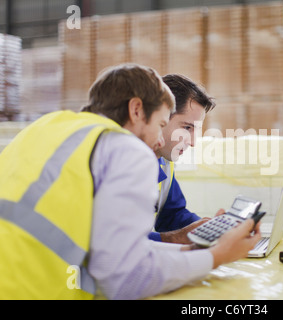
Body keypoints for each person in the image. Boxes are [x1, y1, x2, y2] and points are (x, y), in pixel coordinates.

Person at [0, 63, 261, 300]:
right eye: (161, 124)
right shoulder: (127, 148)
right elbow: (124, 280)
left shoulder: (47, 126)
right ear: (136, 110)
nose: (159, 141)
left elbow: (108, 252)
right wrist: (216, 256)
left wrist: (191, 249)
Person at [149, 74, 223, 244]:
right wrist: (176, 238)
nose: (193, 142)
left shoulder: (165, 161)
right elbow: (116, 242)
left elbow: (172, 216)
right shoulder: (122, 164)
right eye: (187, 127)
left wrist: (209, 228)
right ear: (160, 118)